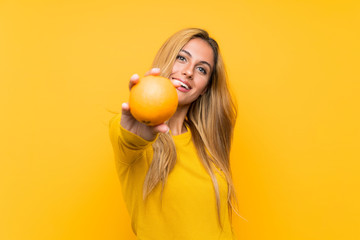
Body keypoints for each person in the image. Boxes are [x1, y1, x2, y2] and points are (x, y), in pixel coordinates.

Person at [109, 28, 239, 239]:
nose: (188, 71)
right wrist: (142, 128)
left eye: (202, 69)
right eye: (181, 58)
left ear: (205, 88)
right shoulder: (131, 132)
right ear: (166, 61)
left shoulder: (207, 144)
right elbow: (128, 139)